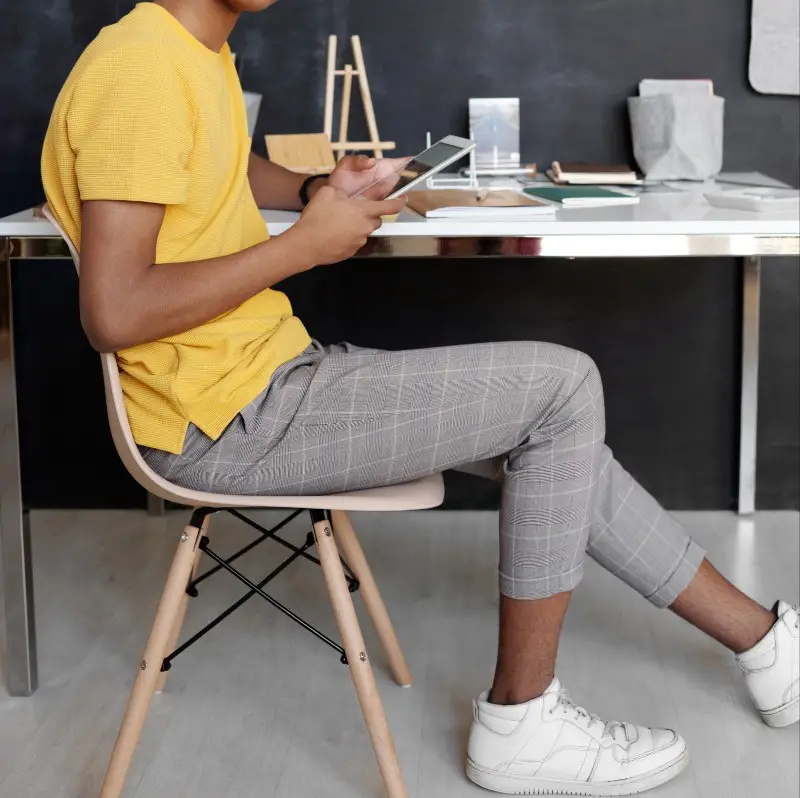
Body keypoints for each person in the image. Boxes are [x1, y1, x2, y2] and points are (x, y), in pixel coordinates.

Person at [41, 2, 798, 795]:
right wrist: (300, 248)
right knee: (563, 388)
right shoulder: (140, 71)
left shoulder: (193, 50)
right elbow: (115, 312)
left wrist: (312, 186)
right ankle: (521, 720)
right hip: (228, 421)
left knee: (557, 433)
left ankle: (769, 649)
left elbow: (218, 170)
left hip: (265, 379)